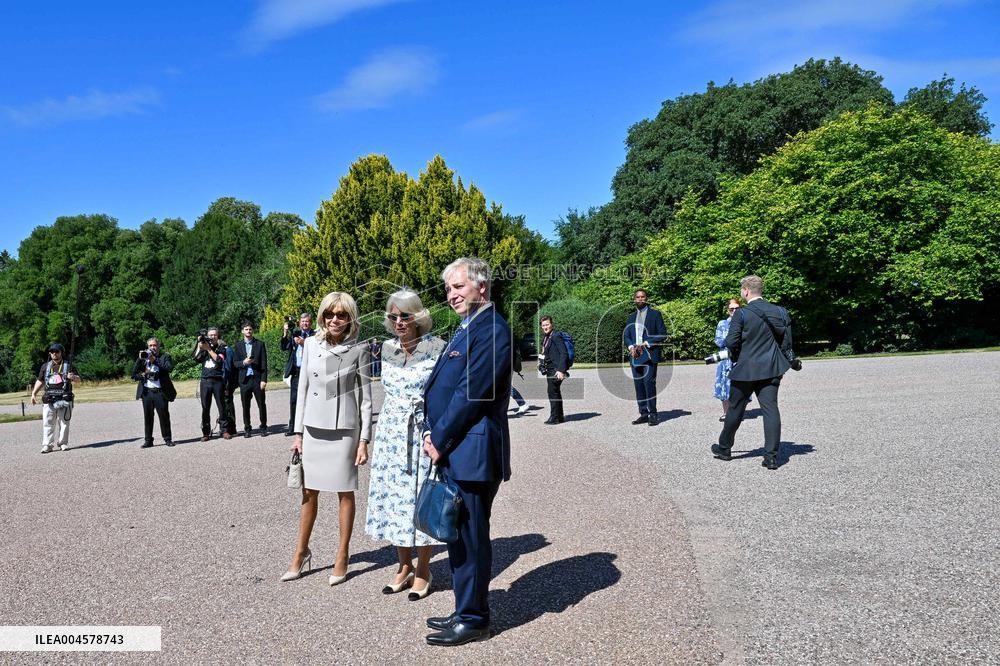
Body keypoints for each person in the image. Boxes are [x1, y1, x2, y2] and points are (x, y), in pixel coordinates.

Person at [422, 257, 512, 646]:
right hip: (457, 449)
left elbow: (472, 393)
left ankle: (474, 619)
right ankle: (464, 607)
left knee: (472, 537)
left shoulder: (492, 329)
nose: (452, 294)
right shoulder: (469, 327)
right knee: (458, 535)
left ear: (482, 287)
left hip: (471, 451)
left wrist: (438, 439)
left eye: (459, 287)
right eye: (448, 289)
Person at [283, 292, 372, 586]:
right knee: (309, 493)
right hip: (312, 429)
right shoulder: (309, 344)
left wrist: (364, 440)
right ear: (322, 317)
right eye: (330, 314)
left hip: (346, 431)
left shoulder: (360, 349)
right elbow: (303, 391)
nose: (335, 320)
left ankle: (342, 554)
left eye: (342, 315)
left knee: (345, 493)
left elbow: (366, 400)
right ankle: (300, 552)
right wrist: (297, 434)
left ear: (350, 319)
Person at [364, 290, 446, 601]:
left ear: (418, 317)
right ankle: (403, 565)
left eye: (405, 315)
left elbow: (443, 392)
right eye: (393, 316)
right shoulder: (386, 349)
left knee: (420, 497)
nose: (399, 321)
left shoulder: (435, 347)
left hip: (422, 430)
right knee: (394, 496)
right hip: (391, 432)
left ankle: (424, 567)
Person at [712, 275, 797, 471]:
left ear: (746, 291)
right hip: (772, 367)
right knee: (770, 409)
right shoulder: (780, 311)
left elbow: (731, 342)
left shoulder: (741, 314)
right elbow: (787, 342)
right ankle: (771, 457)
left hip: (746, 369)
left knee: (735, 409)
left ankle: (724, 448)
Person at [623, 289, 667, 426]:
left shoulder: (655, 315)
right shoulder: (630, 317)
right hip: (635, 356)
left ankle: (653, 414)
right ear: (634, 299)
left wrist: (647, 343)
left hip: (649, 354)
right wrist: (630, 347)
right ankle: (643, 413)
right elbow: (626, 336)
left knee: (649, 384)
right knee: (639, 385)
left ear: (646, 298)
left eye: (643, 297)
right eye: (638, 297)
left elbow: (663, 334)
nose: (640, 299)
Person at [29, 343, 80, 453]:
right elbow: (40, 381)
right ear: (50, 354)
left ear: (61, 353)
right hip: (49, 398)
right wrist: (34, 393)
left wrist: (73, 377)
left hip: (65, 397)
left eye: (57, 352)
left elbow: (78, 379)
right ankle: (47, 445)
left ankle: (63, 443)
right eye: (52, 352)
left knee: (64, 422)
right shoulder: (45, 366)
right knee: (48, 423)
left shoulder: (69, 365)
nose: (54, 354)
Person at [131, 337, 177, 448]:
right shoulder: (143, 358)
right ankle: (148, 440)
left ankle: (167, 439)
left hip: (160, 392)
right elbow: (134, 375)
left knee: (164, 416)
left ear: (158, 346)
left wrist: (154, 360)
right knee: (148, 417)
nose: (153, 347)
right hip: (147, 392)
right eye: (150, 345)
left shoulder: (164, 356)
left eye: (155, 345)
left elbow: (168, 368)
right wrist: (139, 361)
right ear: (148, 347)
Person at [713, 298, 751, 422]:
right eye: (731, 309)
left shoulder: (746, 323)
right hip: (726, 359)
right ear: (727, 310)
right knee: (724, 386)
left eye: (737, 308)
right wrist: (731, 340)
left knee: (741, 386)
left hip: (741, 358)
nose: (734, 311)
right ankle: (726, 413)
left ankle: (739, 413)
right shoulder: (722, 323)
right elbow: (718, 341)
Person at [230, 322, 268, 438]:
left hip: (257, 379)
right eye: (246, 329)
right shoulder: (238, 346)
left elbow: (264, 364)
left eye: (250, 329)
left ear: (253, 331)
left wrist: (263, 380)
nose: (248, 331)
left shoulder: (260, 344)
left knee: (261, 404)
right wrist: (243, 362)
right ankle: (247, 428)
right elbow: (235, 363)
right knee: (245, 406)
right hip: (244, 380)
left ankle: (263, 427)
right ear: (242, 331)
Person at [194, 327, 231, 441]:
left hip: (217, 381)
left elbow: (219, 361)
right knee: (205, 408)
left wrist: (209, 349)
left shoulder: (221, 347)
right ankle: (205, 433)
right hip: (205, 381)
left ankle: (224, 430)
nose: (212, 337)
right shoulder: (203, 347)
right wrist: (199, 346)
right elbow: (196, 359)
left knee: (222, 407)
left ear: (217, 336)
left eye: (214, 335)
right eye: (210, 335)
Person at [280, 313, 313, 436]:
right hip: (297, 372)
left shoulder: (315, 335)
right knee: (294, 400)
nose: (304, 323)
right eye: (302, 321)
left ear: (310, 322)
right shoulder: (295, 334)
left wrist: (304, 343)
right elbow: (284, 347)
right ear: (299, 323)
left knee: (310, 399)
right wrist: (285, 332)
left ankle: (309, 426)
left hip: (310, 372)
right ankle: (293, 426)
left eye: (307, 321)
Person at [538, 315, 569, 424]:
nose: (545, 327)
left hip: (556, 369)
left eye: (547, 324)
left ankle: (554, 418)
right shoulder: (546, 337)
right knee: (555, 392)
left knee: (552, 392)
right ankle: (559, 416)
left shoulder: (555, 336)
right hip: (550, 368)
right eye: (543, 325)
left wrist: (561, 370)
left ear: (552, 324)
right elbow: (545, 353)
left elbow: (563, 353)